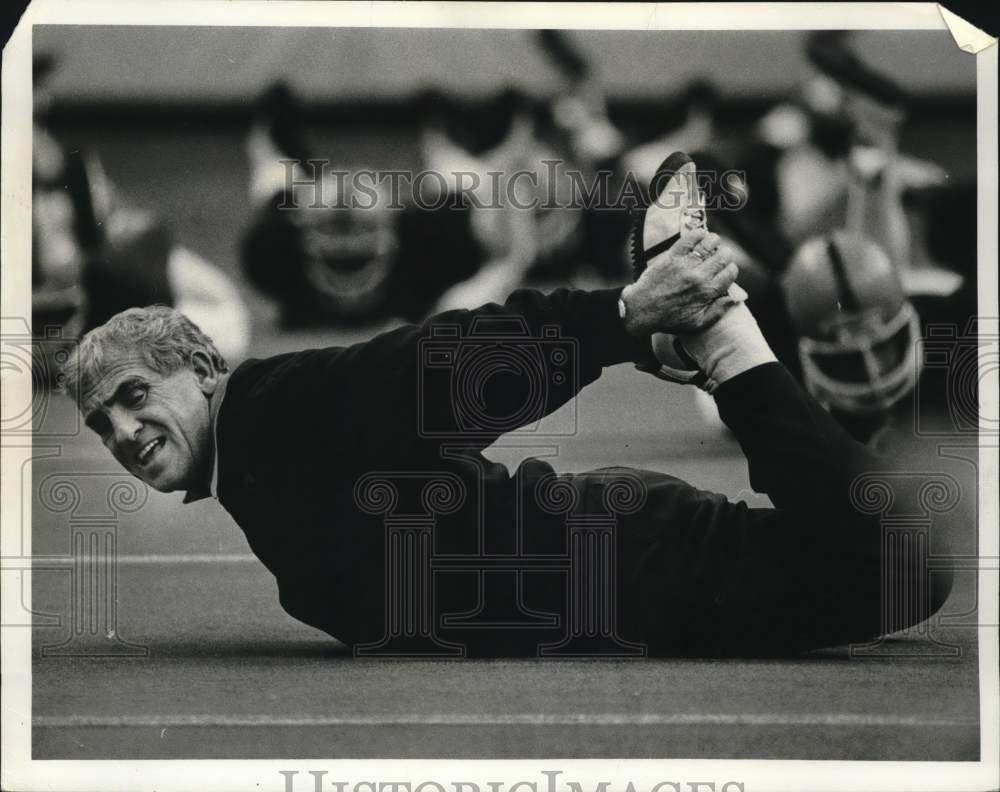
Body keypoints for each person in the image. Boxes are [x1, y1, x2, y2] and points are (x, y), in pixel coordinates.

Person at [60, 152, 954, 657]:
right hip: (619, 568)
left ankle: (717, 331)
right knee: (900, 558)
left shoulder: (268, 409)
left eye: (135, 396)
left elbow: (430, 371)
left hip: (633, 568)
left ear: (203, 366)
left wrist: (618, 315)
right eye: (104, 425)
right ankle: (706, 336)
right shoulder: (252, 459)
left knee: (908, 563)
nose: (124, 434)